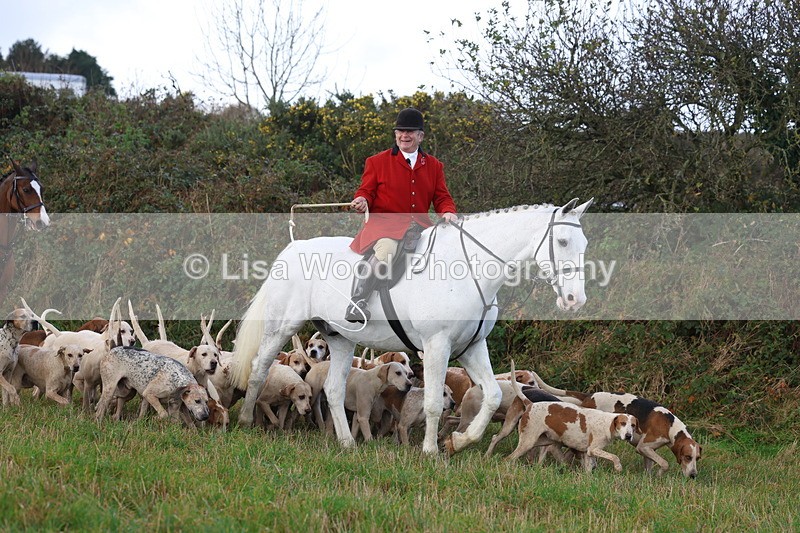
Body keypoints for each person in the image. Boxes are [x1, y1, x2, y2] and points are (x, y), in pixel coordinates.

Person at [345, 107, 458, 323]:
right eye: (400, 131)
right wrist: (362, 200)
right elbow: (366, 190)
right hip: (385, 226)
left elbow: (442, 197)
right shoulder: (377, 162)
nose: (404, 135)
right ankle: (358, 301)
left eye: (410, 131)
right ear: (395, 134)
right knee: (387, 249)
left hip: (420, 227)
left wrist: (449, 212)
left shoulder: (434, 165)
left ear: (420, 136)